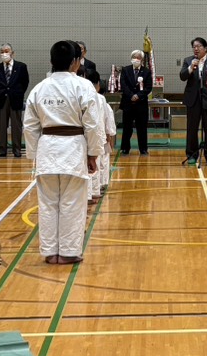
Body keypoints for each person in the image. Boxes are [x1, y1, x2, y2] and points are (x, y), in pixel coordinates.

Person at [23, 40, 104, 265]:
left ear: (51, 61)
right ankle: (68, 252)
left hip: (47, 148)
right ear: (75, 62)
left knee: (48, 204)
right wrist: (93, 153)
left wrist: (34, 154)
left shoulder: (39, 88)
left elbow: (29, 126)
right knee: (72, 203)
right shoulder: (83, 86)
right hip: (73, 149)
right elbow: (93, 125)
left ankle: (50, 252)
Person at [179, 37, 207, 165]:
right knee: (191, 128)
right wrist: (191, 67)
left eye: (198, 46)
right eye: (194, 47)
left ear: (205, 48)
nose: (196, 49)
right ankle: (192, 154)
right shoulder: (188, 61)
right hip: (193, 100)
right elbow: (182, 76)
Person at [119, 50, 153, 155]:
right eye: (134, 57)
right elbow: (123, 85)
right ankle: (125, 148)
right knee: (127, 128)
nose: (136, 59)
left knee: (142, 128)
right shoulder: (125, 70)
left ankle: (143, 148)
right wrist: (131, 96)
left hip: (141, 104)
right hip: (128, 103)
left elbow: (148, 88)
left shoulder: (146, 72)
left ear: (142, 60)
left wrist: (138, 96)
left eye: (138, 58)